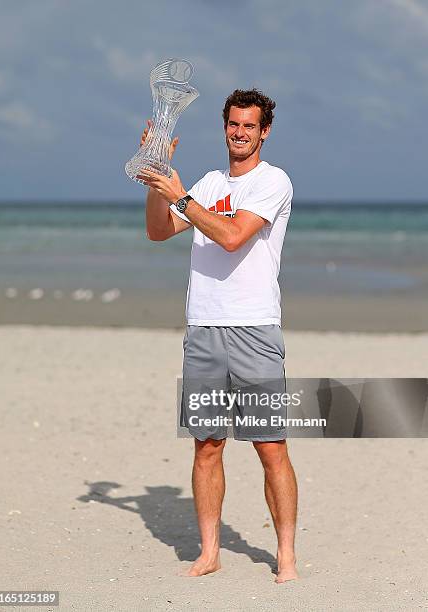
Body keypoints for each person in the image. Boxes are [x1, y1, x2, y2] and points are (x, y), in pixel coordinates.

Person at [138, 89, 298, 583]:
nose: (240, 133)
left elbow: (231, 238)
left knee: (270, 445)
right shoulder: (208, 181)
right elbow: (159, 231)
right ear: (225, 126)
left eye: (250, 126)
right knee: (207, 444)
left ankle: (286, 556)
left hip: (254, 330)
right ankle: (209, 552)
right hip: (204, 328)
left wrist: (181, 196)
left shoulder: (274, 182)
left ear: (264, 131)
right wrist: (156, 176)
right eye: (233, 124)